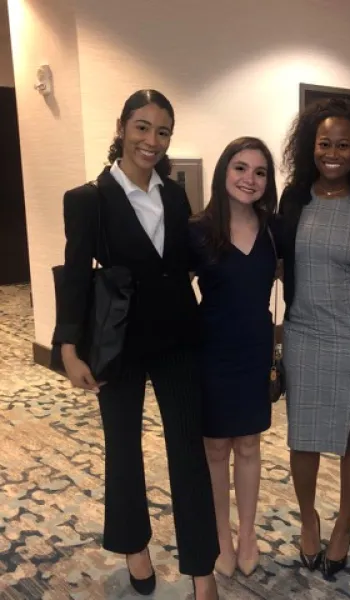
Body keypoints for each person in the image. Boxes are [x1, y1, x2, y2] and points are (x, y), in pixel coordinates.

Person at [52, 90, 219, 600]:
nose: (152, 140)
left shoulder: (173, 195)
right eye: (142, 127)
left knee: (187, 451)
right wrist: (67, 347)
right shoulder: (88, 199)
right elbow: (76, 274)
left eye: (162, 131)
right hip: (116, 342)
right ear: (122, 126)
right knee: (123, 447)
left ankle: (202, 570)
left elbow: (188, 261)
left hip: (177, 339)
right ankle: (134, 547)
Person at [279, 98, 350, 577]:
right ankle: (308, 518)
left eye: (344, 145)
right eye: (325, 144)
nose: (334, 153)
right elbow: (275, 258)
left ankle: (344, 522)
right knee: (303, 433)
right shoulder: (294, 197)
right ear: (310, 146)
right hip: (304, 329)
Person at [188, 137, 279, 579]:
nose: (249, 179)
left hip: (255, 347)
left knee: (248, 443)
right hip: (211, 348)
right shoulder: (199, 229)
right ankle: (221, 536)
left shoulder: (274, 229)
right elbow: (172, 292)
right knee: (215, 447)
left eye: (260, 172)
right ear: (224, 172)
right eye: (241, 168)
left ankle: (248, 534)